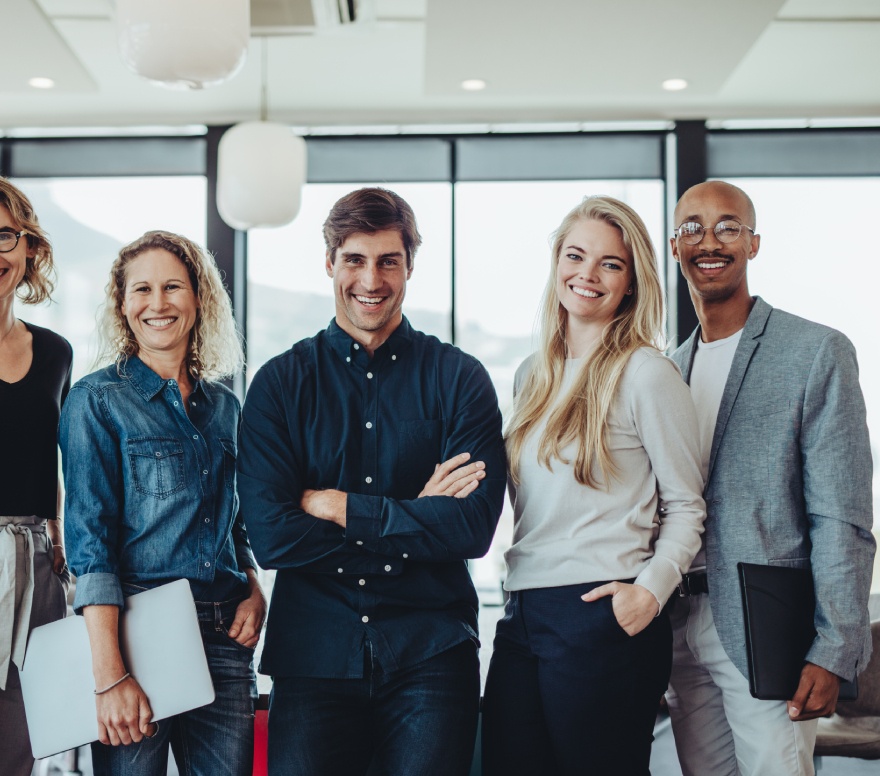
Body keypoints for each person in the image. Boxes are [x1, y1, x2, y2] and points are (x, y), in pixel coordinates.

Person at [237, 187, 506, 776]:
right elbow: (273, 537)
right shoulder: (279, 384)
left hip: (431, 652)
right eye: (355, 259)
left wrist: (336, 505)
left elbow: (471, 528)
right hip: (314, 657)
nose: (372, 279)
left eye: (389, 260)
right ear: (329, 262)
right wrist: (412, 515)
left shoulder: (459, 379)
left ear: (411, 264)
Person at [481, 195, 706, 776]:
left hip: (602, 609)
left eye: (610, 263)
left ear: (631, 283)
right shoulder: (532, 375)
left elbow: (687, 506)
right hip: (524, 609)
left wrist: (649, 593)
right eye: (576, 256)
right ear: (557, 262)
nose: (587, 274)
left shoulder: (646, 373)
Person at [665, 180, 876, 776]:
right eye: (693, 228)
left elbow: (842, 515)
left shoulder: (815, 352)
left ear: (753, 244)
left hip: (768, 627)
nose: (710, 241)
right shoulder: (667, 370)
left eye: (728, 226)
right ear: (674, 245)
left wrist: (835, 649)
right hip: (681, 629)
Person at [59, 230, 266, 776]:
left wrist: (253, 585)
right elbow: (90, 545)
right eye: (142, 290)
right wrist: (110, 676)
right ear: (122, 304)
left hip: (224, 637)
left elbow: (236, 522)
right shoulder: (96, 401)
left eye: (173, 287)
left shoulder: (226, 406)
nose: (158, 303)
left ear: (198, 299)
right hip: (135, 633)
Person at [0, 177, 72, 776]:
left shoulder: (55, 352)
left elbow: (52, 455)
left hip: (35, 560)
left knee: (24, 735)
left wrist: (57, 533)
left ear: (28, 248)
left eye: (2, 235)